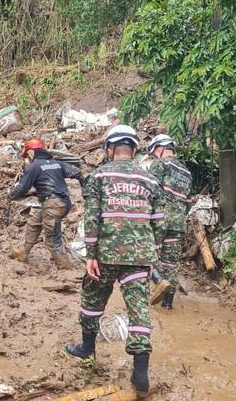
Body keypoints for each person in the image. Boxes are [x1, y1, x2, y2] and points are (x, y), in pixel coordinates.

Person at [65, 125, 166, 398]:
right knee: (139, 310)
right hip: (139, 257)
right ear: (134, 150)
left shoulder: (98, 175)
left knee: (93, 299)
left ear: (109, 149)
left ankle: (87, 348)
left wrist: (90, 255)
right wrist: (152, 254)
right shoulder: (151, 180)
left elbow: (93, 218)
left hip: (107, 254)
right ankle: (141, 373)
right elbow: (159, 221)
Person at [7, 138, 83, 269]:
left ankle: (65, 268)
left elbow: (22, 188)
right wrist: (85, 191)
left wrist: (9, 196)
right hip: (63, 202)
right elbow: (78, 173)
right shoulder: (56, 163)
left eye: (26, 155)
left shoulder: (33, 167)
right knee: (35, 221)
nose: (27, 159)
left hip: (52, 205)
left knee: (53, 238)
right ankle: (23, 252)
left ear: (30, 152)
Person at [146, 134, 192, 309]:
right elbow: (188, 202)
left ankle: (158, 280)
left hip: (159, 219)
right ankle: (167, 305)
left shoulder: (160, 164)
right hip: (178, 223)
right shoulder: (186, 171)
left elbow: (149, 189)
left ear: (159, 149)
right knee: (170, 264)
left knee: (145, 252)